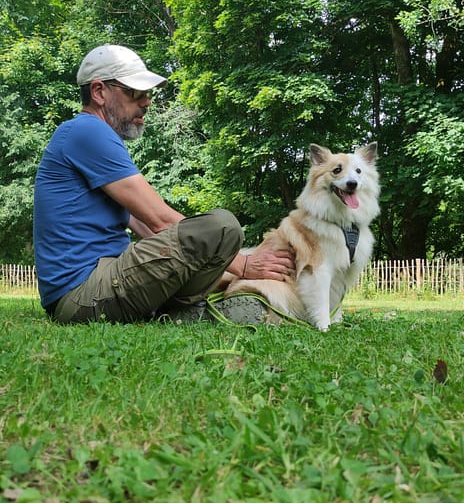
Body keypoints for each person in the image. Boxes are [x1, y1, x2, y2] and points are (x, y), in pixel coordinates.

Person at [33, 44, 294, 324]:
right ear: (99, 92)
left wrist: (209, 262)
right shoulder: (86, 131)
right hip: (82, 294)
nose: (146, 102)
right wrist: (244, 265)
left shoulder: (92, 140)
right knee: (222, 226)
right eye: (136, 92)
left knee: (218, 240)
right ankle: (193, 308)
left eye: (148, 94)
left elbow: (145, 225)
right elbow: (159, 220)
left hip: (90, 289)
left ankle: (183, 310)